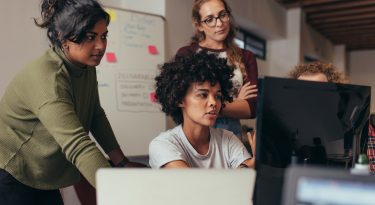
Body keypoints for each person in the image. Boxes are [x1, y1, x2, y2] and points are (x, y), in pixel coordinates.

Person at [0, 0, 141, 204]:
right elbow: (78, 145)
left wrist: (122, 163)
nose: (100, 46)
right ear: (63, 38)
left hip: (42, 175)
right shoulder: (50, 78)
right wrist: (118, 193)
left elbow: (95, 114)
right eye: (90, 37)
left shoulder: (85, 67)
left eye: (104, 36)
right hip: (12, 171)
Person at [149, 51, 255, 169]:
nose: (214, 103)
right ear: (179, 100)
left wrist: (252, 165)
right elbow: (194, 184)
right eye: (203, 95)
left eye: (218, 96)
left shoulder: (228, 139)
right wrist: (245, 169)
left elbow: (245, 179)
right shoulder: (163, 144)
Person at [176, 0, 258, 138]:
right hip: (193, 136)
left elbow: (252, 109)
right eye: (209, 19)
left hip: (231, 136)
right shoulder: (187, 53)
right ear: (199, 25)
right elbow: (179, 100)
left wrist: (203, 102)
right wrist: (236, 103)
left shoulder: (246, 56)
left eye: (222, 15)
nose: (219, 23)